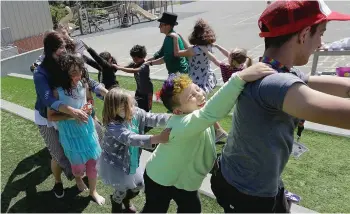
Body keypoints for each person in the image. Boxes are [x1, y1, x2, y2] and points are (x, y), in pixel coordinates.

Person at [210, 0, 350, 213]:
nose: (321, 44)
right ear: (303, 35)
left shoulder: (275, 69)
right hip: (247, 193)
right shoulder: (274, 83)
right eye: (320, 33)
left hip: (243, 176)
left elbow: (343, 88)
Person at [142, 64, 275, 213]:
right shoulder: (182, 124)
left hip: (185, 183)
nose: (199, 95)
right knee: (154, 210)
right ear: (178, 110)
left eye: (197, 89)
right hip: (158, 178)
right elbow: (211, 112)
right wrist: (239, 78)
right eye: (191, 96)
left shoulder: (195, 117)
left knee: (191, 210)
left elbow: (209, 118)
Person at [33, 31, 107, 199]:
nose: (64, 51)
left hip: (73, 115)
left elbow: (86, 82)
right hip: (47, 117)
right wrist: (74, 112)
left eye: (64, 47)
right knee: (58, 155)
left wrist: (105, 92)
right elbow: (48, 100)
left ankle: (85, 174)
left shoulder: (65, 62)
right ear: (49, 49)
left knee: (95, 137)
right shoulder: (41, 72)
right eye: (59, 48)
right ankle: (59, 182)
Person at [98, 88, 171, 213]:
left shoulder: (136, 112)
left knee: (138, 186)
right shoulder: (113, 126)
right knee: (122, 189)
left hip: (130, 158)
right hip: (116, 163)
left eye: (131, 105)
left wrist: (172, 118)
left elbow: (152, 118)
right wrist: (158, 138)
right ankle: (116, 203)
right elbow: (131, 139)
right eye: (123, 108)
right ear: (113, 109)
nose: (130, 110)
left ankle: (125, 200)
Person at [47, 54, 105, 205]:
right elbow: (51, 116)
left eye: (79, 71)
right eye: (72, 73)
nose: (77, 76)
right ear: (64, 73)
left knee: (93, 163)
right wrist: (73, 116)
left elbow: (90, 100)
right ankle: (78, 179)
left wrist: (88, 108)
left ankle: (93, 191)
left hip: (88, 131)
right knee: (78, 168)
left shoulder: (83, 84)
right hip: (70, 134)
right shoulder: (57, 91)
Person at [170, 18, 228, 142]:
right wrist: (180, 36)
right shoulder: (206, 46)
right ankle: (218, 130)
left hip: (197, 82)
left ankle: (218, 130)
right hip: (207, 78)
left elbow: (177, 53)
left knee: (202, 108)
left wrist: (175, 38)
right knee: (202, 107)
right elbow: (190, 48)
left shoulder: (194, 50)